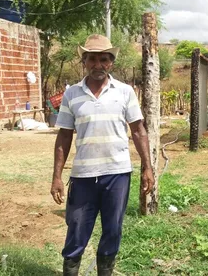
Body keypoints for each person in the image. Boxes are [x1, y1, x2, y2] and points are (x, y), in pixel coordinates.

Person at [50, 34, 154, 276]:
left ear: (111, 62)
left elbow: (138, 131)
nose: (98, 65)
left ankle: (105, 271)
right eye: (92, 59)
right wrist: (56, 176)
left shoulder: (125, 92)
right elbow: (64, 136)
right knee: (76, 229)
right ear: (84, 62)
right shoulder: (72, 94)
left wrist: (147, 167)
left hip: (117, 174)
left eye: (104, 60)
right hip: (83, 175)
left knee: (113, 230)